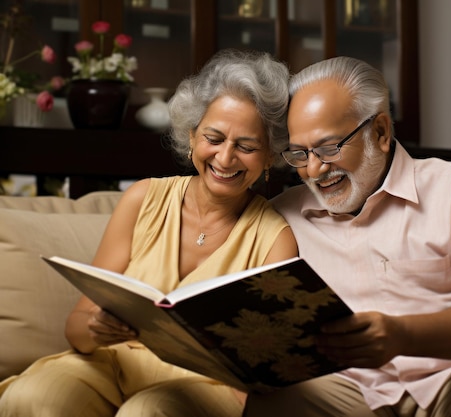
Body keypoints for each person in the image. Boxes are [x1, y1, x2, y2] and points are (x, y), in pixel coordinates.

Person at [244, 56, 451, 417]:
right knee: (268, 399)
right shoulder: (280, 216)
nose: (315, 169)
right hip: (353, 394)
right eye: (300, 154)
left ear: (381, 133)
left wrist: (401, 335)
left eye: (328, 148)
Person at [0, 49, 298, 417]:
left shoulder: (276, 238)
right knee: (33, 396)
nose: (225, 158)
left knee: (147, 412)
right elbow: (76, 328)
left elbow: (268, 366)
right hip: (113, 365)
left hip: (206, 387)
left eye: (247, 146)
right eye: (214, 138)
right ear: (191, 136)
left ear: (270, 156)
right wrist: (95, 328)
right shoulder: (142, 199)